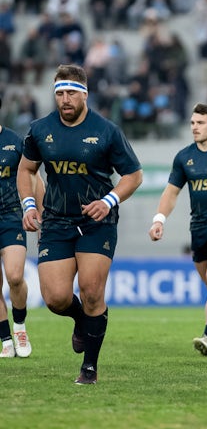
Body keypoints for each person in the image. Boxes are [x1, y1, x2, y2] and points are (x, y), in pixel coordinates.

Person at [17, 64, 143, 384]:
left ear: (85, 94)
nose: (65, 99)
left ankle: (89, 366)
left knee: (91, 292)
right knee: (56, 299)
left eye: (72, 92)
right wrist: (30, 204)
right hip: (56, 221)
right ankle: (81, 321)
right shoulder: (39, 129)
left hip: (96, 222)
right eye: (59, 93)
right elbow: (26, 170)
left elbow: (134, 176)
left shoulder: (106, 131)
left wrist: (108, 201)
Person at [149, 103, 207, 356]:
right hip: (198, 226)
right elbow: (171, 192)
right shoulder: (183, 157)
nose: (194, 127)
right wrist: (159, 219)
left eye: (199, 123)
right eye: (192, 123)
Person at [0, 119, 44, 358]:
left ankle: (19, 328)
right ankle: (5, 340)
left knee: (15, 276)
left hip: (10, 217)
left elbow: (33, 178)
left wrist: (41, 214)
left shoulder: (14, 142)